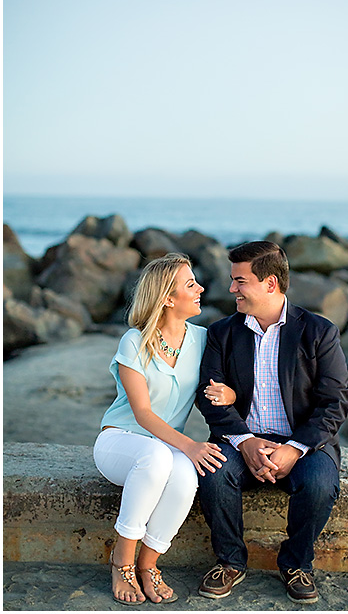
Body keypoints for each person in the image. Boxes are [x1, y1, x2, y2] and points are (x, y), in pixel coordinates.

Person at [193, 240, 348, 604]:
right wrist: (245, 441)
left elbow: (335, 402)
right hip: (239, 439)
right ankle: (230, 562)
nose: (232, 288)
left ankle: (297, 564)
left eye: (240, 281)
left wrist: (293, 449)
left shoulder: (319, 332)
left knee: (319, 484)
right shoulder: (222, 333)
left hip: (303, 442)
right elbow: (209, 395)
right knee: (214, 474)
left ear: (269, 284)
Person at [93, 252, 228, 605]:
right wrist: (192, 445)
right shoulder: (134, 342)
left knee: (186, 477)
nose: (200, 288)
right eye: (189, 284)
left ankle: (148, 565)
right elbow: (142, 413)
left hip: (166, 448)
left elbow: (226, 382)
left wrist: (228, 391)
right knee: (157, 458)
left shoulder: (202, 340)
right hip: (120, 441)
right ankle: (121, 560)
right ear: (168, 298)